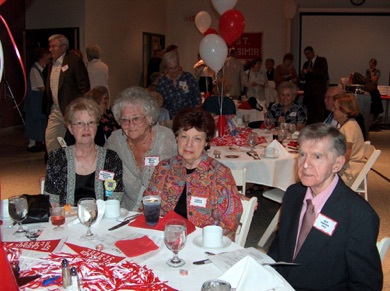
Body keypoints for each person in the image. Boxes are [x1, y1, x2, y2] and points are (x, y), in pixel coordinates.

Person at [268, 123, 383, 290]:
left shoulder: (360, 216)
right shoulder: (293, 194)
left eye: (317, 157)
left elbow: (366, 285)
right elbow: (280, 245)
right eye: (302, 154)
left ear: (337, 164)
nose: (305, 164)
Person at [143, 108, 243, 240]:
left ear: (206, 142)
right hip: (163, 238)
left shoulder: (220, 174)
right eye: (184, 136)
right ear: (177, 138)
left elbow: (229, 224)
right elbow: (148, 208)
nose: (189, 144)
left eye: (197, 139)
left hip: (202, 244)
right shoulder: (164, 168)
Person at [105, 86, 177, 211]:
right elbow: (107, 182)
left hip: (160, 211)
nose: (131, 125)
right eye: (125, 120)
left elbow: (173, 182)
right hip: (125, 214)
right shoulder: (114, 142)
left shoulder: (165, 138)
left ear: (149, 118)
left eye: (136, 118)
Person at [44, 98, 124, 206]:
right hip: (67, 220)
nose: (86, 128)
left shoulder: (111, 158)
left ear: (97, 126)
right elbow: (52, 202)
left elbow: (115, 200)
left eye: (91, 122)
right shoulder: (58, 158)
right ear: (71, 128)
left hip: (103, 219)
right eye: (80, 123)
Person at [44, 34, 90, 154]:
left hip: (72, 109)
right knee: (51, 138)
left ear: (64, 47)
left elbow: (84, 87)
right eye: (50, 46)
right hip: (56, 109)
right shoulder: (50, 64)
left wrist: (80, 108)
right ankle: (56, 167)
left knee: (76, 140)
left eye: (54, 46)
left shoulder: (74, 61)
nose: (50, 49)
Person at [332, 93, 365, 187]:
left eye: (335, 108)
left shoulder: (349, 127)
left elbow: (346, 154)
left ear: (344, 111)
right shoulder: (350, 124)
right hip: (351, 169)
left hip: (350, 172)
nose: (332, 110)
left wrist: (333, 168)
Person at [156, 51, 201, 119]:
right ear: (166, 68)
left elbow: (197, 98)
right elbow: (158, 103)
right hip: (169, 119)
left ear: (179, 65)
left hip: (187, 117)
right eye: (171, 68)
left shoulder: (188, 78)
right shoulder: (162, 82)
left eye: (176, 67)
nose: (174, 70)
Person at [24, 47, 51, 152]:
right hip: (35, 101)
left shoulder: (42, 69)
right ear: (43, 56)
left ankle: (42, 142)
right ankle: (32, 144)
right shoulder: (35, 70)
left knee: (41, 122)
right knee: (34, 122)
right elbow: (41, 87)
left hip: (39, 101)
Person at [300, 46, 329, 124]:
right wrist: (302, 74)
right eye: (305, 54)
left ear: (313, 52)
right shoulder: (306, 63)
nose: (307, 56)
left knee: (319, 112)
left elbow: (324, 73)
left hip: (319, 91)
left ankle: (320, 128)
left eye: (308, 53)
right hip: (309, 92)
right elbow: (303, 79)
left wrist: (311, 70)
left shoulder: (322, 60)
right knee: (310, 112)